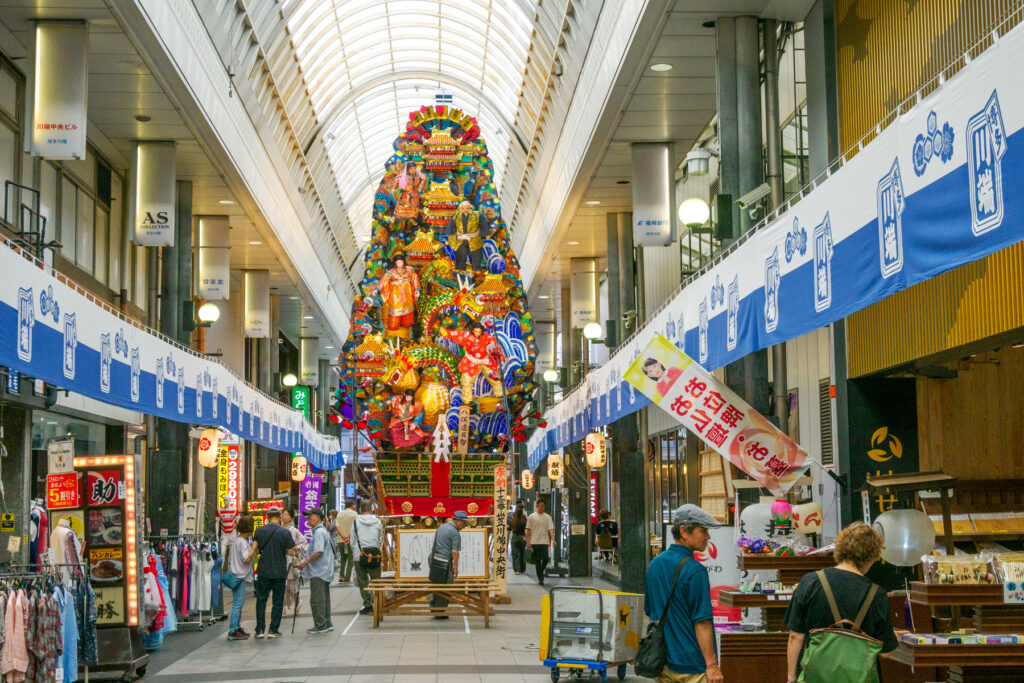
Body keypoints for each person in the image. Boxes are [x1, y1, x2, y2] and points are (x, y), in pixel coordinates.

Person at [784, 522, 899, 682]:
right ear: (870, 558)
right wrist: (893, 638)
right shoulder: (877, 594)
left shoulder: (811, 582)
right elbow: (885, 652)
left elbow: (795, 636)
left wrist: (791, 678)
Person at [645, 504, 723, 683]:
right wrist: (712, 666)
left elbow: (651, 613)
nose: (708, 536)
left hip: (664, 663)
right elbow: (702, 622)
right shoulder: (695, 571)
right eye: (703, 530)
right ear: (684, 531)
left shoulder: (655, 564)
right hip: (693, 666)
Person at [252, 506, 297, 638]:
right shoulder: (285, 533)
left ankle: (260, 630)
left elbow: (255, 549)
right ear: (280, 517)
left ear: (267, 516)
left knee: (261, 600)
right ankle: (273, 629)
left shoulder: (259, 531)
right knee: (277, 601)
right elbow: (290, 552)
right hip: (279, 571)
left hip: (263, 570)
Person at [439, 322, 504, 402]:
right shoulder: (467, 335)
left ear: (482, 331)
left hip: (485, 360)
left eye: (479, 331)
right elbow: (457, 334)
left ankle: (499, 392)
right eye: (475, 331)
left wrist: (500, 355)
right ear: (472, 330)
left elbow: (495, 346)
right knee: (466, 379)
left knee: (494, 376)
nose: (477, 333)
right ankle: (467, 398)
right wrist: (445, 332)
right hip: (471, 361)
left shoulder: (487, 337)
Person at [296, 509, 334, 634]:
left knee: (317, 600)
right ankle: (327, 622)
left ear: (317, 518)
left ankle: (320, 624)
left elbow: (318, 551)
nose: (307, 520)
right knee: (324, 599)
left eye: (309, 517)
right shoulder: (322, 531)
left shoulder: (319, 533)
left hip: (319, 571)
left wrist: (305, 562)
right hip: (324, 570)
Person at [429, 510, 470, 618]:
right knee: (446, 585)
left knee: (436, 583)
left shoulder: (441, 527)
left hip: (434, 558)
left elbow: (434, 544)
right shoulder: (455, 533)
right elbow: (455, 552)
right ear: (458, 521)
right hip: (444, 562)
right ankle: (440, 612)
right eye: (464, 523)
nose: (464, 526)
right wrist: (455, 569)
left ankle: (434, 608)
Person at [225, 514, 256, 641]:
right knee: (238, 603)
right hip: (240, 576)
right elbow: (247, 558)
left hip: (235, 574)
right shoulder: (242, 542)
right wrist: (253, 548)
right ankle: (233, 630)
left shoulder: (236, 541)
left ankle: (236, 627)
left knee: (238, 603)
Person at [351, 500, 384, 615]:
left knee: (362, 582)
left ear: (360, 510)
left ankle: (368, 605)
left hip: (359, 556)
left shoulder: (355, 522)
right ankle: (379, 603)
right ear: (371, 510)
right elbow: (380, 538)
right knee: (377, 581)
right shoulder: (378, 522)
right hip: (374, 555)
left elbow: (352, 540)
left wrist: (357, 551)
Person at [375, 254, 420, 334]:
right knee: (395, 311)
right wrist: (376, 289)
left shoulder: (410, 270)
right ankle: (393, 326)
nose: (400, 264)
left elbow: (414, 279)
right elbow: (383, 281)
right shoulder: (390, 273)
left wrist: (417, 289)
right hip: (395, 295)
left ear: (404, 262)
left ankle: (407, 324)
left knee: (408, 309)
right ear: (395, 263)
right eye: (398, 262)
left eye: (401, 262)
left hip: (407, 294)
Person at [446, 200, 491, 271]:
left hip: (474, 239)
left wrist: (487, 235)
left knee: (476, 255)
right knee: (461, 255)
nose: (465, 210)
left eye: (467, 208)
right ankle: (460, 270)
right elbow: (451, 225)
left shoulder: (477, 215)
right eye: (463, 208)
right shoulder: (457, 216)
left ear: (470, 208)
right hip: (461, 239)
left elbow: (484, 224)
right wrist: (449, 234)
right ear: (460, 209)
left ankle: (476, 270)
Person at [280, 508, 308, 617]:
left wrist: (298, 547)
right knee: (282, 585)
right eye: (283, 514)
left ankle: (297, 601)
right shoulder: (278, 528)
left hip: (291, 561)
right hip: (280, 560)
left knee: (291, 585)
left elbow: (305, 543)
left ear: (291, 517)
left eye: (287, 514)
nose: (285, 516)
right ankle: (283, 606)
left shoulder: (294, 530)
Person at [526, 499, 555, 586]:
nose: (542, 508)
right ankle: (540, 578)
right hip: (535, 542)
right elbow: (528, 529)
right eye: (540, 506)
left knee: (546, 559)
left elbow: (550, 529)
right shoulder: (531, 517)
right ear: (537, 506)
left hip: (544, 542)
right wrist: (528, 540)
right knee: (538, 561)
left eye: (543, 506)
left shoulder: (548, 517)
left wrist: (553, 539)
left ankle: (540, 572)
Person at [337, 501, 358, 584]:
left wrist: (343, 536)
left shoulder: (339, 514)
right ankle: (347, 578)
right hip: (350, 540)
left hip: (340, 540)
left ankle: (341, 576)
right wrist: (348, 536)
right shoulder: (354, 514)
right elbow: (355, 526)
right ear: (352, 505)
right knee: (351, 559)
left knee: (343, 558)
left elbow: (337, 526)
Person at [510, 501, 528, 575]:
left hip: (514, 537)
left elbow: (509, 529)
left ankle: (517, 569)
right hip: (522, 537)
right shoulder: (524, 518)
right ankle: (522, 568)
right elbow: (526, 529)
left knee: (515, 554)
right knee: (522, 553)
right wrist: (527, 538)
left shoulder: (512, 517)